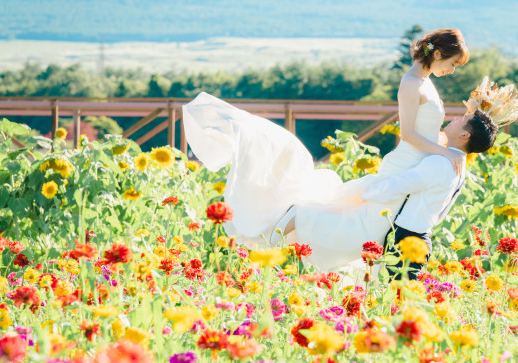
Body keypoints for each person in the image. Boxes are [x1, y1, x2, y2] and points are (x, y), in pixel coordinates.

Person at [182, 29, 470, 270]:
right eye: (453, 63)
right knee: (364, 228)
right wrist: (444, 152)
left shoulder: (426, 82)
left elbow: (427, 131)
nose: (452, 71)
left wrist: (451, 141)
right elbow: (407, 134)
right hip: (407, 161)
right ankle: (294, 220)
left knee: (368, 224)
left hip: (417, 163)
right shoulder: (410, 83)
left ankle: (299, 223)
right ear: (437, 54)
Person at [362, 109, 499, 280]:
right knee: (399, 299)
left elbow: (398, 186)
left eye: (461, 119)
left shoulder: (441, 163)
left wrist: (363, 191)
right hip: (417, 237)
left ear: (464, 135)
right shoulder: (457, 164)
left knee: (398, 300)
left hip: (407, 239)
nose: (454, 118)